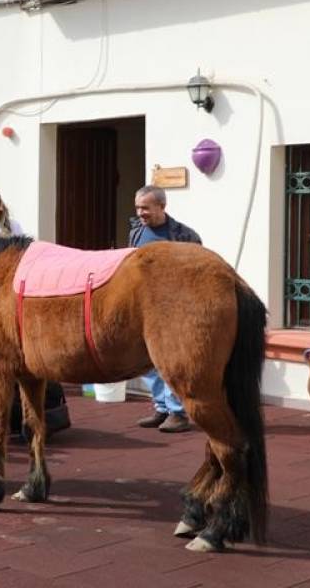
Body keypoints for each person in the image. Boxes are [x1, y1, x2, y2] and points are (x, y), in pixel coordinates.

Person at [130, 185, 202, 434]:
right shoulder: (136, 234)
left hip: (175, 310)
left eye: (146, 208)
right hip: (145, 309)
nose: (141, 213)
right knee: (150, 362)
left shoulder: (184, 235)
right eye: (138, 207)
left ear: (162, 206)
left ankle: (178, 413)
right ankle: (161, 407)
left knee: (171, 362)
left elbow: (198, 273)